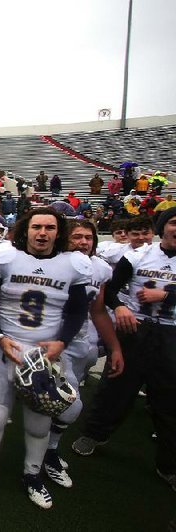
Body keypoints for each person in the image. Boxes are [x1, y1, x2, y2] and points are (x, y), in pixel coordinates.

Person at [0, 207, 92, 509]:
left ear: (58, 231)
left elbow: (76, 310)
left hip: (44, 353)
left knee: (39, 421)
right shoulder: (6, 256)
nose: (42, 233)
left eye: (49, 227)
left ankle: (32, 475)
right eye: (37, 227)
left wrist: (62, 341)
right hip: (6, 347)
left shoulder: (72, 264)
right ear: (26, 229)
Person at [72, 207, 176, 495]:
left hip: (172, 331)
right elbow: (113, 289)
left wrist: (167, 295)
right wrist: (118, 306)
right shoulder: (138, 255)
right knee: (116, 384)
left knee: (170, 397)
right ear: (162, 228)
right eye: (173, 223)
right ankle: (95, 433)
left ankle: (169, 463)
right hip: (136, 327)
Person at [42, 220, 123, 488]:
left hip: (79, 341)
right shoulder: (50, 263)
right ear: (65, 239)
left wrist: (114, 347)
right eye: (77, 237)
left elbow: (97, 310)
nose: (83, 242)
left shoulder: (99, 268)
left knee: (60, 405)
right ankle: (48, 453)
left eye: (88, 237)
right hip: (52, 342)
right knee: (69, 405)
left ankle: (47, 449)